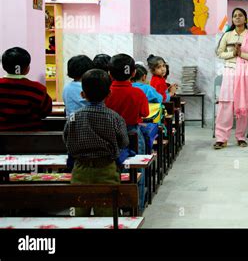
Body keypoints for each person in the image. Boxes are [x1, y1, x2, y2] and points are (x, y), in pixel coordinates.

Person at [64, 69, 129, 216]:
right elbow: (124, 142)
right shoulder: (114, 117)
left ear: (83, 95)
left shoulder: (74, 117)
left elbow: (67, 141)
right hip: (106, 169)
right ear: (109, 94)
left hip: (80, 169)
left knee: (78, 214)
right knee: (107, 215)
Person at [105, 54, 149, 211]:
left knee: (112, 172)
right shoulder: (138, 93)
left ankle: (115, 206)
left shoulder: (106, 92)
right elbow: (145, 113)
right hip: (133, 134)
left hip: (108, 135)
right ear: (133, 73)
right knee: (136, 173)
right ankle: (136, 209)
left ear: (109, 73)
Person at [214, 7, 248, 149]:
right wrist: (233, 54)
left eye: (240, 15)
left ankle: (241, 137)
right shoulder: (227, 35)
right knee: (226, 104)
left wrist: (242, 55)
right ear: (232, 19)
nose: (237, 18)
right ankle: (221, 139)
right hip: (230, 71)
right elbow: (219, 53)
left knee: (244, 105)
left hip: (246, 73)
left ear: (245, 19)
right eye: (235, 16)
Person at [0, 47, 52, 131]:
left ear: (3, 66)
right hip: (31, 139)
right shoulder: (38, 89)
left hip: (2, 140)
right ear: (27, 68)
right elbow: (45, 112)